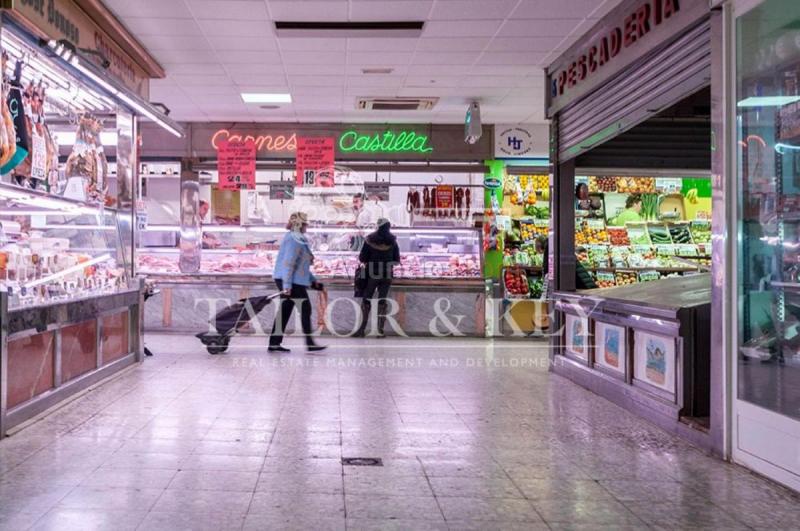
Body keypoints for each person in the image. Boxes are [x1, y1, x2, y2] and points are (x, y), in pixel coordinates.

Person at [268, 212, 326, 353]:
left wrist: (313, 282)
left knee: (285, 310)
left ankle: (274, 343)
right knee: (305, 308)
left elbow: (301, 265)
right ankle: (310, 343)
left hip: (289, 279)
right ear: (300, 225)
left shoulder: (296, 237)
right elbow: (289, 263)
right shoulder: (295, 239)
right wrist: (287, 286)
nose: (307, 226)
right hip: (290, 280)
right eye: (305, 224)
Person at [354, 218, 400, 338]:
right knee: (382, 301)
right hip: (387, 275)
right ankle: (380, 331)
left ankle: (362, 330)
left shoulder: (369, 240)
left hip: (372, 274)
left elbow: (362, 258)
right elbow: (396, 260)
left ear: (378, 227)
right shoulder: (393, 241)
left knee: (367, 299)